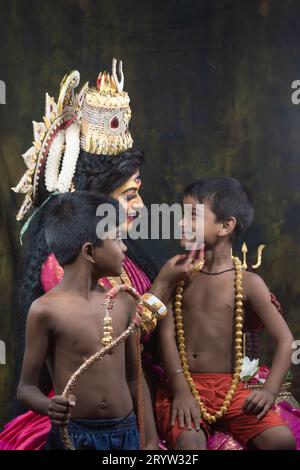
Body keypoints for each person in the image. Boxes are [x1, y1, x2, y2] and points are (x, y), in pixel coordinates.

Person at [1, 61, 200, 450]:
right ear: (92, 205)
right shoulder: (61, 271)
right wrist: (160, 289)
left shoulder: (122, 252)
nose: (141, 207)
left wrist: (177, 388)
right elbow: (111, 340)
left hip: (139, 400)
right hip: (84, 419)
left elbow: (136, 367)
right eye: (129, 196)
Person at [156, 177, 297, 450]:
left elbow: (286, 341)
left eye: (192, 216)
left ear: (226, 225)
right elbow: (166, 334)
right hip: (183, 384)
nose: (182, 222)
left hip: (229, 389)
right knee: (190, 444)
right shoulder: (176, 274)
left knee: (282, 441)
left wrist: (269, 391)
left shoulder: (248, 283)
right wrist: (181, 391)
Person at [17, 190, 161, 450]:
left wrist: (149, 441)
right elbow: (26, 388)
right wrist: (48, 406)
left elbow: (134, 377)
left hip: (125, 433)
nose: (125, 247)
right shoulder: (45, 310)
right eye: (117, 239)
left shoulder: (124, 302)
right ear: (89, 251)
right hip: (73, 436)